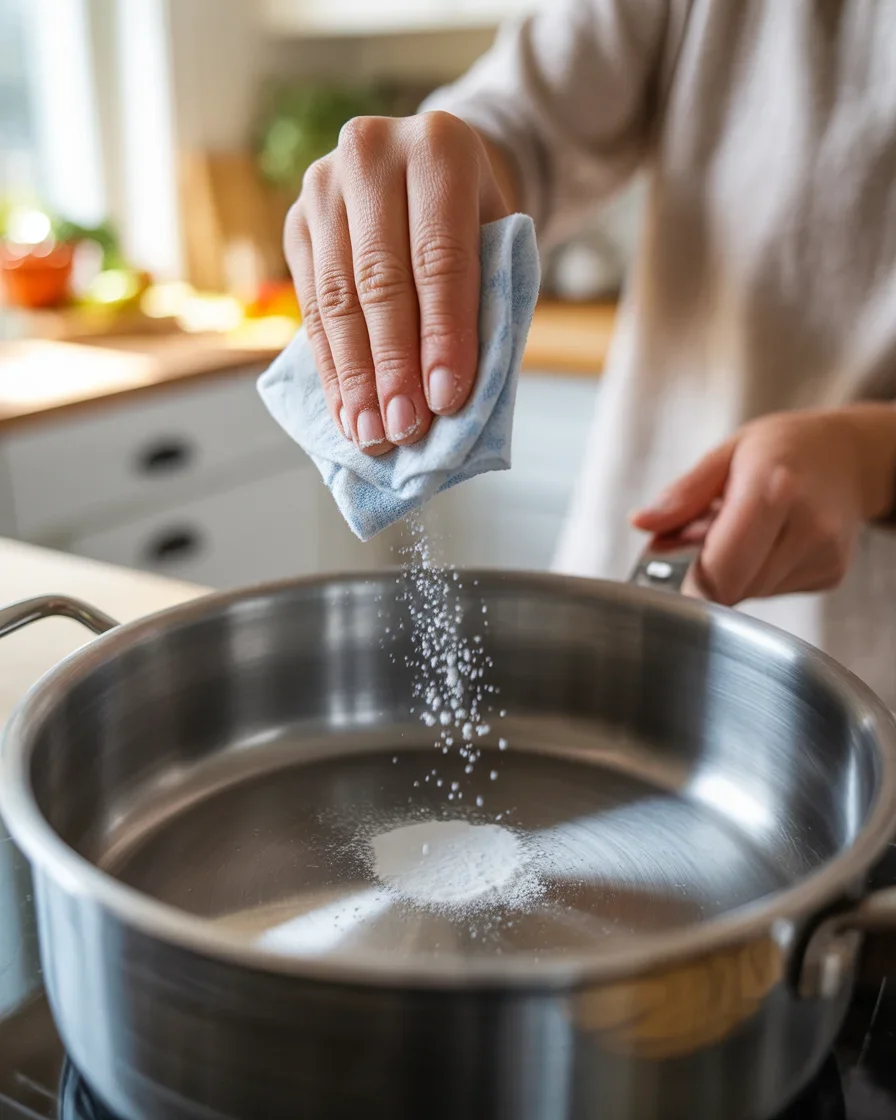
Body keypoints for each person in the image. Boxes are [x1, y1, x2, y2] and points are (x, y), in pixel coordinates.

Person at [284, 0, 896, 710]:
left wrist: (868, 456)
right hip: (635, 596)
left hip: (870, 673)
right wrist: (442, 171)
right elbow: (524, 121)